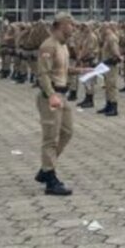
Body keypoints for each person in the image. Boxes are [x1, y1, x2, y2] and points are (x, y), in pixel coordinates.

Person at [35, 12, 83, 196]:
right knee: (51, 137)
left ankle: (46, 168)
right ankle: (50, 180)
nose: (73, 27)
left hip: (62, 95)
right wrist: (51, 95)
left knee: (67, 132)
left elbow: (62, 69)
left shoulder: (63, 46)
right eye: (70, 24)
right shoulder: (48, 45)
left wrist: (81, 71)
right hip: (51, 97)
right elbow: (43, 74)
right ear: (61, 25)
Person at [98, 22, 122, 116]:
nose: (101, 31)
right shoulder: (107, 38)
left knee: (111, 86)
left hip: (111, 65)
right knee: (108, 86)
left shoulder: (112, 38)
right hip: (106, 65)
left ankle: (113, 107)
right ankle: (108, 105)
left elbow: (115, 52)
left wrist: (119, 58)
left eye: (102, 28)